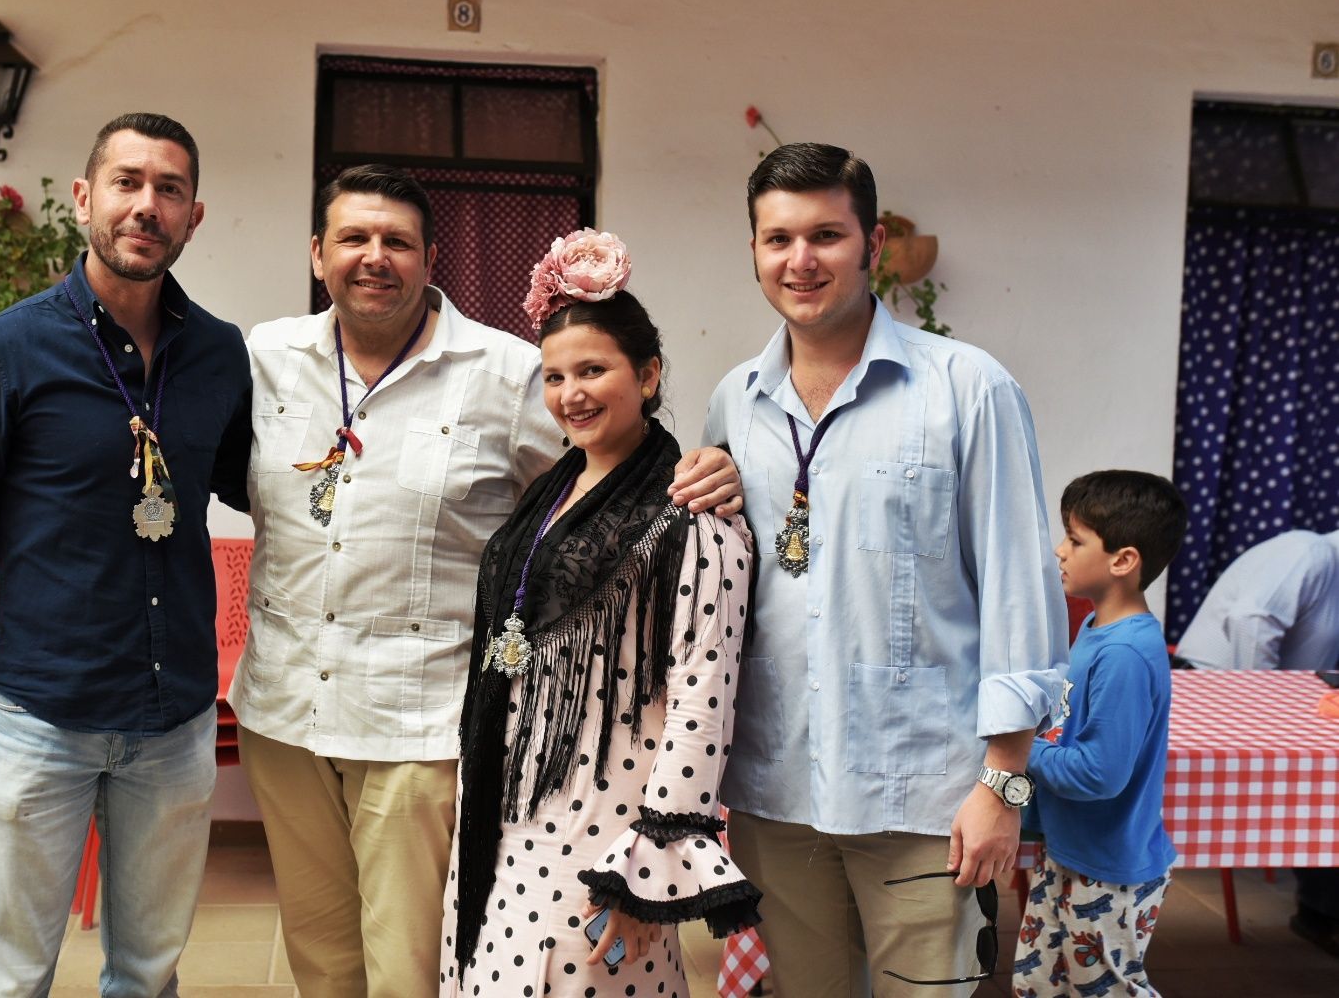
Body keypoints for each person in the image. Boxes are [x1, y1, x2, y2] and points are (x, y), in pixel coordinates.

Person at [229, 167, 742, 998]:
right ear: (317, 253)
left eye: (397, 241)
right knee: (319, 959)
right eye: (354, 238)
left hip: (417, 726)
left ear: (432, 259)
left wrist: (705, 470)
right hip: (284, 712)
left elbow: (608, 466)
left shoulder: (507, 373)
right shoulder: (264, 359)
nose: (374, 257)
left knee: (406, 972)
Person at [0, 113, 252, 996]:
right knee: (10, 978)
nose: (147, 205)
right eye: (127, 182)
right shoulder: (5, 351)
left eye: (169, 189)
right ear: (86, 199)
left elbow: (269, 488)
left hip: (175, 722)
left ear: (194, 215)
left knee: (148, 976)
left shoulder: (219, 353)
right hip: (39, 720)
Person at [703, 142, 1067, 996]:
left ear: (871, 245)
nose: (800, 260)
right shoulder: (736, 402)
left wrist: (1003, 786)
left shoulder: (967, 387)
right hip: (776, 793)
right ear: (754, 251)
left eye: (825, 235)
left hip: (927, 798)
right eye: (778, 238)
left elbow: (1020, 595)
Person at [442, 231, 761, 996]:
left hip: (606, 824)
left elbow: (702, 697)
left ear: (648, 375)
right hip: (507, 806)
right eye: (554, 376)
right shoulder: (551, 491)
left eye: (593, 370)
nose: (571, 394)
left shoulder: (693, 514)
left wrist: (650, 864)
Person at [1013, 470, 1187, 997]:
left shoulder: (1125, 653)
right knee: (1036, 984)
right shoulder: (1096, 628)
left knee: (1105, 991)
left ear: (1123, 561)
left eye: (1075, 539)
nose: (1060, 550)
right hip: (1069, 851)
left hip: (1108, 869)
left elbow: (1098, 774)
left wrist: (1019, 748)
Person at [1174, 528, 1339, 956]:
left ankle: (1322, 911)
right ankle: (1321, 913)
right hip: (1211, 695)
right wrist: (1265, 706)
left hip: (1288, 708)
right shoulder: (1310, 552)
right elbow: (1251, 620)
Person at [1174, 529, 1339, 672]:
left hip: (1286, 694)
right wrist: (1264, 693)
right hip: (1210, 681)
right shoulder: (1310, 551)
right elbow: (1251, 622)